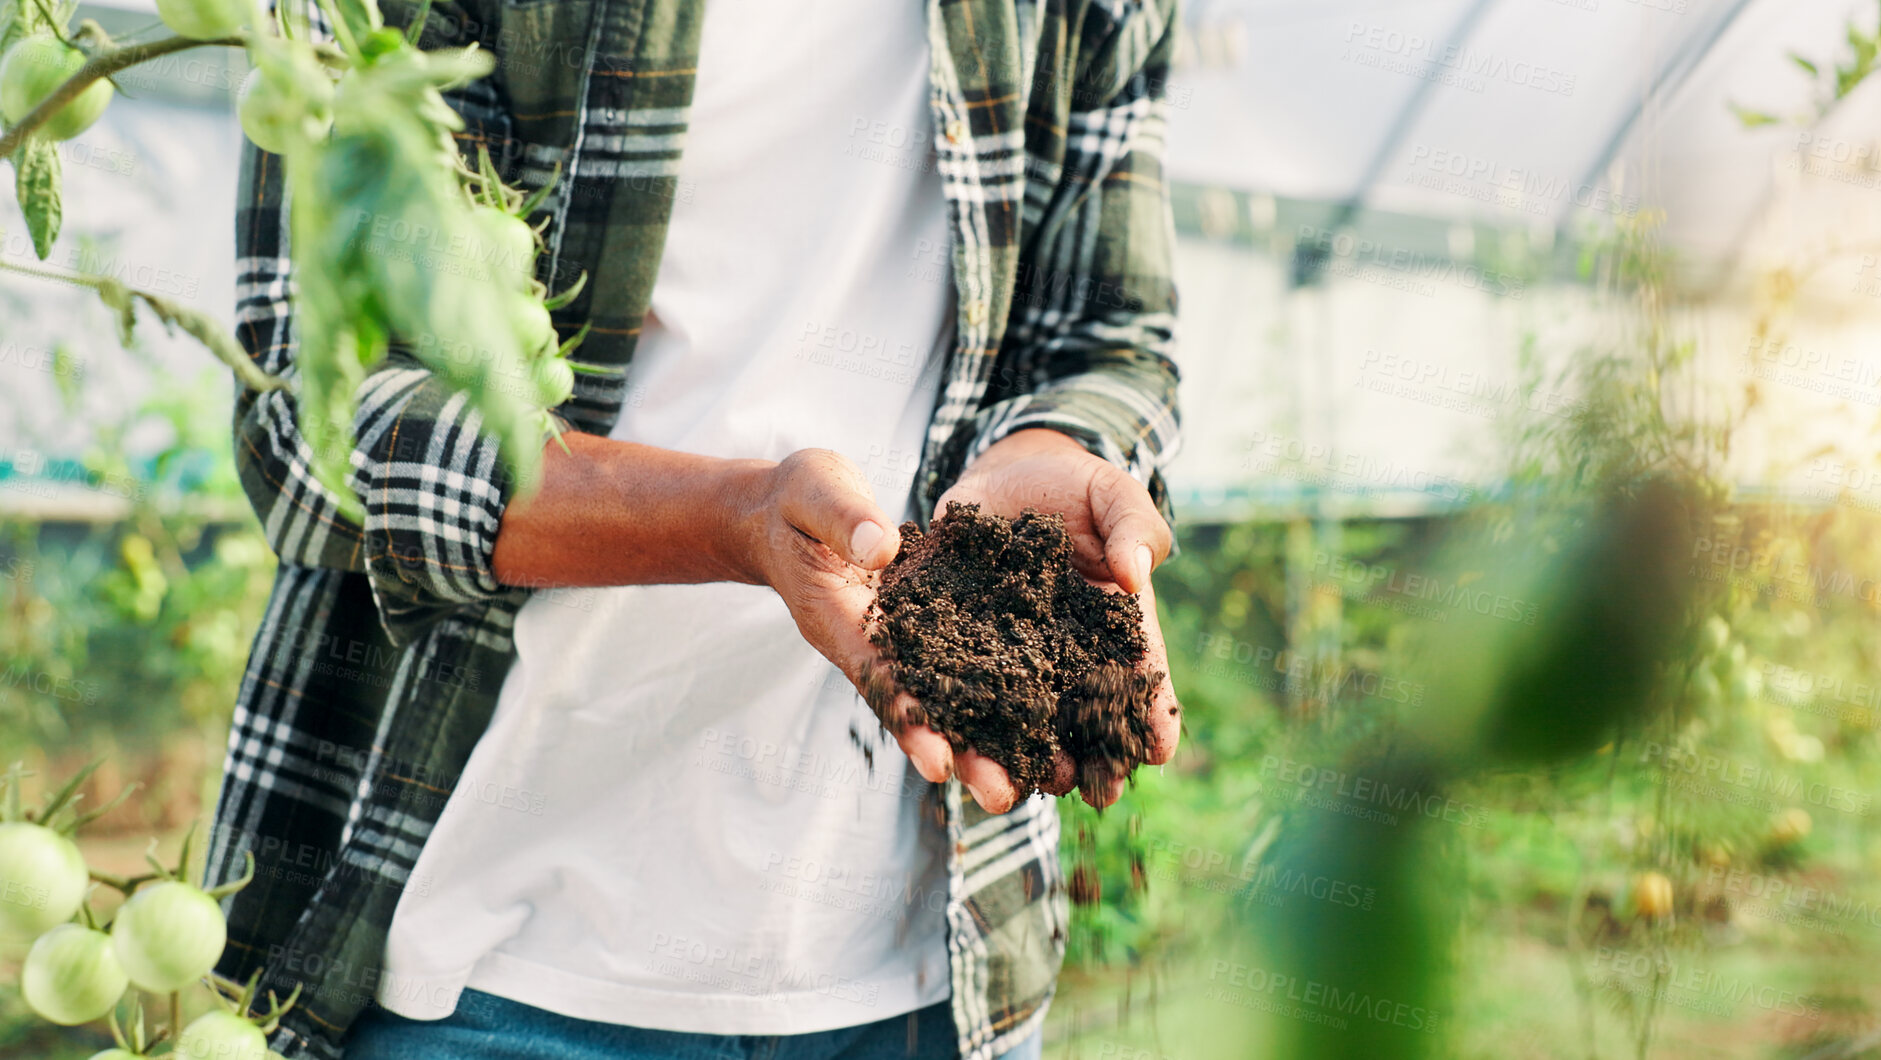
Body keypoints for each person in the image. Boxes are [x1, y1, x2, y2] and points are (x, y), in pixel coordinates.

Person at [206, 0, 1183, 1056]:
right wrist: (736, 518)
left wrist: (1050, 448)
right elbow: (313, 422)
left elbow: (1102, 331)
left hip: (926, 971)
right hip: (491, 958)